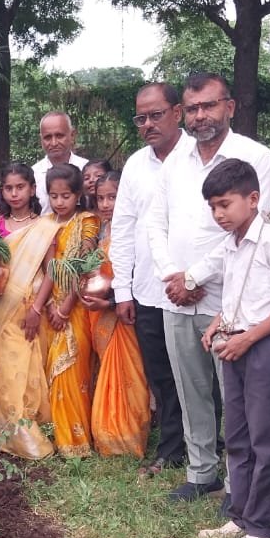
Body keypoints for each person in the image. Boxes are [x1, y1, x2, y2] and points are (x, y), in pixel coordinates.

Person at [148, 71, 270, 502]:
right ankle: (201, 471)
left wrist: (194, 278)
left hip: (230, 298)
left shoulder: (254, 158)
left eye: (209, 105)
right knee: (190, 388)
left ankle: (239, 480)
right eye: (193, 108)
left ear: (230, 107)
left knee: (235, 394)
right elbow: (155, 224)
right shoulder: (175, 162)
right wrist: (174, 275)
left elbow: (246, 231)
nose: (201, 116)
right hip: (175, 296)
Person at [183, 159, 270, 538]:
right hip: (233, 345)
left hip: (265, 347)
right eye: (213, 206)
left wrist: (248, 337)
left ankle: (263, 528)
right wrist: (218, 322)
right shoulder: (231, 242)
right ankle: (240, 515)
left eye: (225, 204)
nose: (219, 214)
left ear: (253, 199)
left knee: (266, 438)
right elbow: (240, 292)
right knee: (237, 434)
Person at [114, 82, 189, 477]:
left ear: (177, 112)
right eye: (140, 118)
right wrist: (122, 289)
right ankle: (174, 445)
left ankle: (197, 442)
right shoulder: (135, 165)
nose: (148, 124)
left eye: (156, 114)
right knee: (160, 371)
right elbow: (123, 229)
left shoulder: (197, 159)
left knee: (196, 372)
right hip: (146, 288)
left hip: (193, 291)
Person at [0, 163, 60, 459]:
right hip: (2, 305)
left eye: (20, 187)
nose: (14, 193)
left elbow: (50, 272)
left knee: (27, 367)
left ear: (32, 189)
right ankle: (7, 429)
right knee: (6, 368)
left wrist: (37, 308)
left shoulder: (45, 226)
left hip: (30, 307)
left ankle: (28, 427)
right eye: (8, 188)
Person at [84, 170, 151, 458]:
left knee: (128, 374)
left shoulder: (136, 231)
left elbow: (136, 276)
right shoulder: (100, 230)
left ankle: (126, 435)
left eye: (112, 197)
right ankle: (108, 432)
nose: (106, 204)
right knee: (106, 373)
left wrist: (109, 304)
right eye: (100, 198)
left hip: (122, 312)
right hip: (99, 312)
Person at [45, 163, 101, 456]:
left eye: (65, 195)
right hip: (50, 307)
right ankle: (59, 437)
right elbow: (47, 270)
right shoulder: (47, 223)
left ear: (78, 194)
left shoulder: (88, 221)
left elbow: (84, 267)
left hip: (76, 307)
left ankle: (76, 442)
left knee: (72, 371)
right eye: (54, 196)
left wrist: (65, 307)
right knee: (53, 373)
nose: (59, 202)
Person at [33, 111, 88, 213]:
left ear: (72, 135)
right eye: (48, 137)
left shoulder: (87, 170)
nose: (54, 143)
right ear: (41, 140)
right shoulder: (33, 175)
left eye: (59, 136)